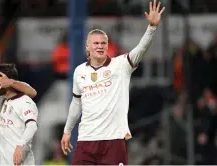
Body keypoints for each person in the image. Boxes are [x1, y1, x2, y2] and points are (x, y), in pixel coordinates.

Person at [61, 0, 165, 165]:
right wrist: (67, 131)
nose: (100, 46)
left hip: (113, 141)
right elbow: (76, 103)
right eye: (96, 43)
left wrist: (151, 28)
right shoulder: (79, 71)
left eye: (103, 43)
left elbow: (140, 49)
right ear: (87, 47)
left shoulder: (120, 65)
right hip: (86, 141)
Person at [0, 64, 38, 165]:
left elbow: (32, 126)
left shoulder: (25, 102)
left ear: (5, 81)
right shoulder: (4, 101)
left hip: (19, 162)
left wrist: (19, 146)